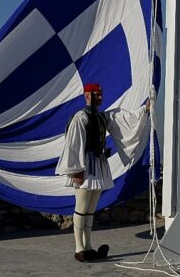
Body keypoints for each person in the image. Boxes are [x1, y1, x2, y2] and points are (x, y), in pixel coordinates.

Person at [56, 83, 148, 263]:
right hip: (85, 166)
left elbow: (122, 118)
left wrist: (144, 109)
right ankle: (79, 248)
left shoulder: (101, 117)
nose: (100, 97)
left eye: (100, 94)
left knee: (90, 209)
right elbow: (74, 144)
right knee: (81, 207)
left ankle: (88, 246)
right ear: (87, 95)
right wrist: (76, 170)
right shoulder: (80, 118)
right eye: (97, 94)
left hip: (98, 166)